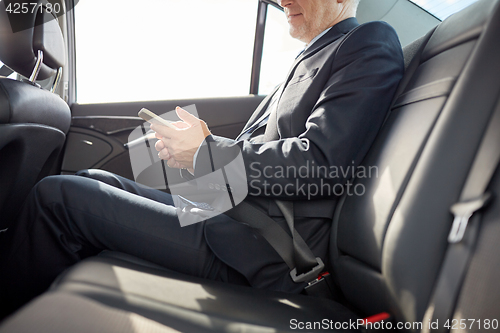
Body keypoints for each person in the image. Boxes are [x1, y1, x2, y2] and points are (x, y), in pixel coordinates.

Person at [0, 0, 404, 317]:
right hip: (225, 217)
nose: (283, 0)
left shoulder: (369, 42)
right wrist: (195, 155)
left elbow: (320, 164)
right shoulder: (310, 56)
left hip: (262, 249)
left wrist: (206, 152)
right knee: (91, 177)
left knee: (57, 197)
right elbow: (267, 155)